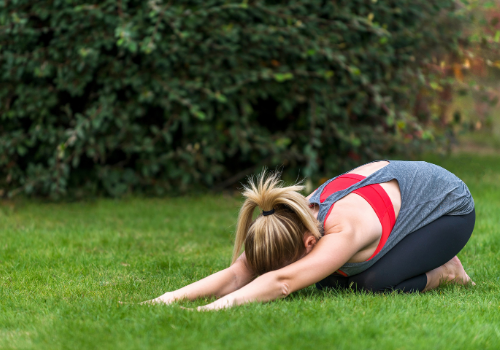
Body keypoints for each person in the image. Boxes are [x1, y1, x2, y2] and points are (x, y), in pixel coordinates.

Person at [144, 160, 476, 310]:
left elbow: (284, 282)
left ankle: (446, 270)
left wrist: (211, 310)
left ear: (309, 242)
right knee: (329, 279)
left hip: (446, 209)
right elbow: (237, 274)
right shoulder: (285, 221)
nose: (272, 273)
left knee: (373, 282)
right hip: (398, 199)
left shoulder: (341, 229)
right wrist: (167, 299)